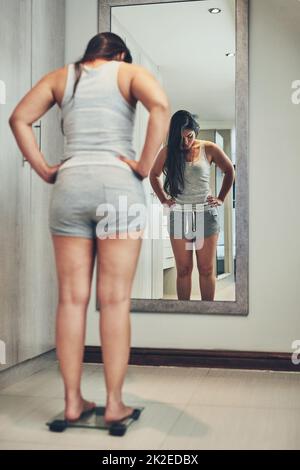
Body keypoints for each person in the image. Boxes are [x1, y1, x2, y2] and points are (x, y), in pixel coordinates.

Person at [9, 32, 170, 424]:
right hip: (117, 187)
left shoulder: (62, 77)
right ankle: (114, 405)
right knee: (114, 300)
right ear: (119, 54)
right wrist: (144, 166)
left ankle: (71, 402)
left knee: (70, 300)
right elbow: (161, 107)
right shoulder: (128, 72)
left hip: (70, 186)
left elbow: (18, 118)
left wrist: (46, 168)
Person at [149, 110, 235, 301]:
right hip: (179, 215)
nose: (186, 142)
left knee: (206, 269)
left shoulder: (209, 148)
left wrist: (220, 198)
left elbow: (229, 170)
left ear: (195, 132)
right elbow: (153, 175)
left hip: (206, 214)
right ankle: (184, 312)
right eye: (181, 138)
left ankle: (207, 312)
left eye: (189, 136)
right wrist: (164, 200)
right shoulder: (168, 152)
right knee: (184, 269)